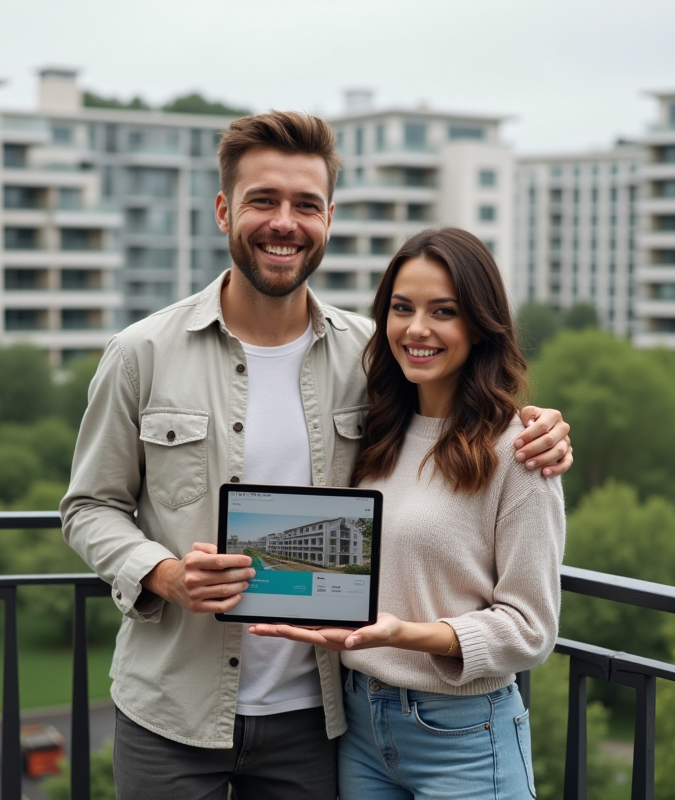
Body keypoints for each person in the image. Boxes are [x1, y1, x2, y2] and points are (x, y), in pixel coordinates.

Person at [61, 112, 571, 800]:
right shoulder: (141, 354)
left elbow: (459, 408)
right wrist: (163, 573)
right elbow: (90, 508)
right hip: (170, 712)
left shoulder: (376, 356)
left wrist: (537, 427)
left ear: (328, 218)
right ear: (223, 210)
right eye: (263, 200)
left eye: (305, 204)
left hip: (321, 719)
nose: (285, 222)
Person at [251, 227, 563, 799]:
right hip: (361, 726)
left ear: (479, 323)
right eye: (402, 308)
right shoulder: (376, 429)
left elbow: (532, 629)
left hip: (466, 737)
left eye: (443, 311)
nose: (417, 328)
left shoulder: (519, 450)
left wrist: (409, 635)